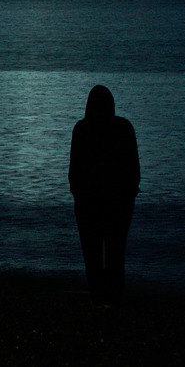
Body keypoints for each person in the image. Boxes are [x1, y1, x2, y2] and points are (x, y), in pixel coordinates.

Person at [68, 84, 140, 305]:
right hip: (118, 204)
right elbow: (134, 171)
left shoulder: (82, 129)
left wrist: (80, 196)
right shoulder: (123, 128)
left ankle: (98, 301)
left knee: (93, 258)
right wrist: (128, 196)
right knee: (115, 256)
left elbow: (74, 173)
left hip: (88, 205)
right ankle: (114, 303)